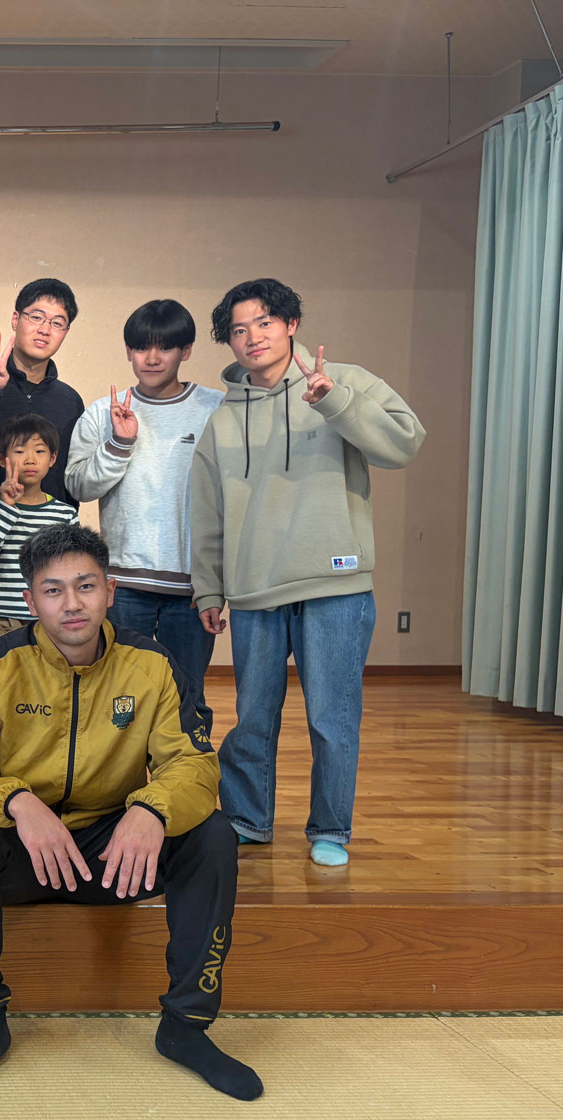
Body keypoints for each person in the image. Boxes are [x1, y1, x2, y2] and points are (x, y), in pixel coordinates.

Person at [0, 525, 260, 1100]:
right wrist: (16, 801)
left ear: (109, 590)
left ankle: (186, 1026)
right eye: (53, 590)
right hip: (23, 853)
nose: (72, 603)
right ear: (30, 601)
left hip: (114, 857)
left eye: (85, 586)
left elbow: (195, 763)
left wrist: (152, 809)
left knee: (212, 834)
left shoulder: (151, 665)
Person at [192, 279, 425, 866]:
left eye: (265, 322)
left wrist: (336, 402)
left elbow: (403, 445)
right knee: (252, 718)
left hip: (335, 584)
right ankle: (247, 819)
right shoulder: (223, 420)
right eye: (239, 329)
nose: (253, 337)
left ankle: (330, 828)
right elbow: (207, 510)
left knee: (331, 717)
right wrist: (209, 587)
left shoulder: (341, 380)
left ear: (291, 324)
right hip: (254, 589)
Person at [67, 300, 224, 702]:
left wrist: (216, 581)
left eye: (165, 347)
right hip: (122, 584)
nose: (152, 358)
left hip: (192, 587)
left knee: (186, 699)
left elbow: (233, 494)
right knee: (117, 698)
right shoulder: (103, 412)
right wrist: (119, 444)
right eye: (141, 347)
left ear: (186, 350)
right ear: (128, 351)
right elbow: (79, 486)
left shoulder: (215, 409)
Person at [0, 278, 85, 673]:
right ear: (15, 319)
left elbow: (66, 477)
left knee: (44, 671)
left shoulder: (68, 401)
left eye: (57, 322)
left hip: (40, 557)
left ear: (66, 332)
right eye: (35, 317)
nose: (44, 329)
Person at [0, 413, 78, 652]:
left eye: (40, 451)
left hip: (45, 619)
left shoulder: (65, 514)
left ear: (53, 458)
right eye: (20, 451)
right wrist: (6, 507)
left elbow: (70, 572)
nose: (30, 459)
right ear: (1, 459)